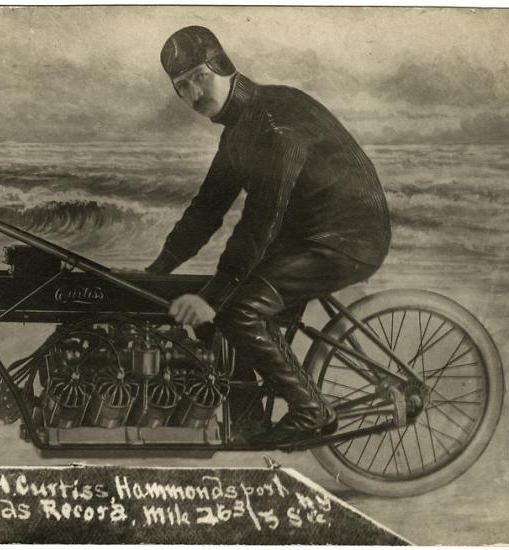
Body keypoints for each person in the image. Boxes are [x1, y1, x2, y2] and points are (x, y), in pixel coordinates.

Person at [146, 26, 391, 445]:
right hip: (303, 238)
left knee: (236, 308)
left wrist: (211, 296)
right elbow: (206, 211)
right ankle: (246, 422)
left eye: (200, 76)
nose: (194, 93)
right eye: (182, 86)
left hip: (348, 237)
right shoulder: (238, 132)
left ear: (223, 66)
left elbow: (260, 221)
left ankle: (312, 410)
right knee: (219, 308)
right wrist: (156, 273)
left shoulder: (275, 122)